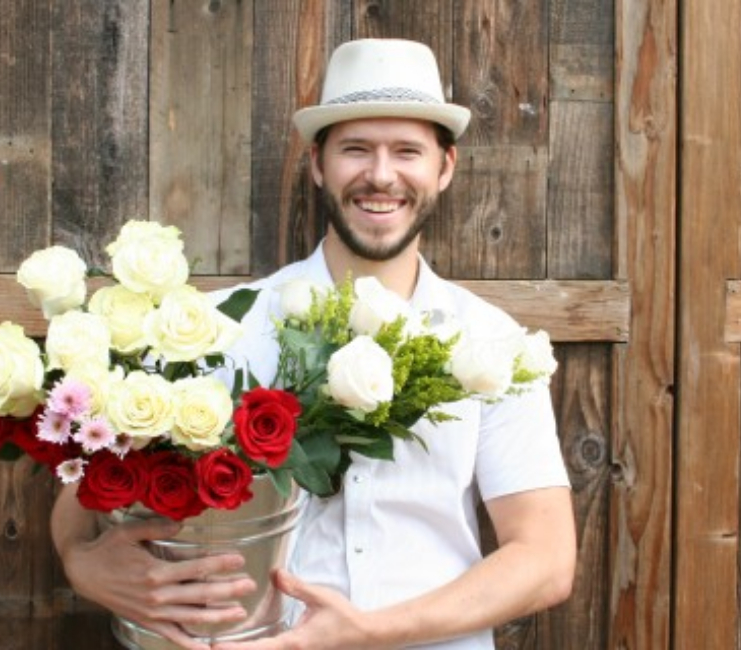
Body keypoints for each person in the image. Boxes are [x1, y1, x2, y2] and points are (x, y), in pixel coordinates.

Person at [50, 38, 576, 650]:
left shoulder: (490, 345)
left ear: (445, 167)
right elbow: (79, 498)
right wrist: (80, 564)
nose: (381, 175)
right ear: (319, 164)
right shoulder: (213, 329)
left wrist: (366, 632)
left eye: (407, 151)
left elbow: (545, 557)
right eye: (356, 149)